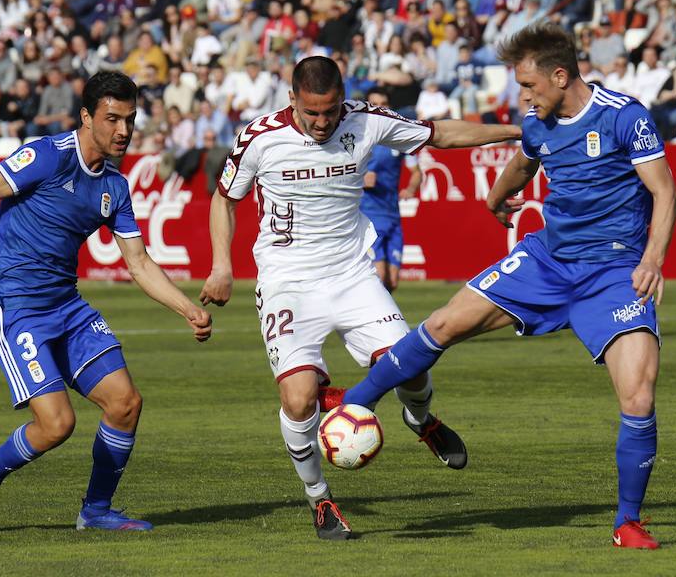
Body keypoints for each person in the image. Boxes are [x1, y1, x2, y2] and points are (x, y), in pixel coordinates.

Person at [338, 23, 676, 550]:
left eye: (528, 86)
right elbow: (523, 162)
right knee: (445, 322)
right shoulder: (538, 122)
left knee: (638, 395)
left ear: (560, 76)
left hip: (614, 273)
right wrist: (496, 199)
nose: (522, 97)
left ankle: (627, 521)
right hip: (548, 261)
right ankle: (356, 404)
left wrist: (653, 258)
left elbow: (664, 190)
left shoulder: (623, 116)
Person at [198, 56, 520, 540]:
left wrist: (517, 130)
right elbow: (224, 199)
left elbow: (440, 134)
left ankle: (422, 420)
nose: (323, 122)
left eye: (330, 111)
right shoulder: (260, 137)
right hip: (288, 282)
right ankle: (320, 500)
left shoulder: (365, 120)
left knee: (411, 363)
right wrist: (222, 264)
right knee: (299, 398)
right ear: (292, 100)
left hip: (352, 276)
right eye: (312, 113)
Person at [0, 71, 213, 534]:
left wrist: (187, 308)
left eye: (130, 120)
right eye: (113, 119)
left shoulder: (115, 186)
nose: (124, 131)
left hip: (66, 306)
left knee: (125, 403)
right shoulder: (49, 156)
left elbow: (139, 264)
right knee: (56, 425)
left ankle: (95, 511)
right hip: (16, 307)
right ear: (86, 117)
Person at [361, 88, 423, 292]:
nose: (380, 108)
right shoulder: (358, 139)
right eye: (374, 104)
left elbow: (416, 172)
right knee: (379, 276)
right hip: (368, 216)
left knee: (392, 282)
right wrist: (360, 179)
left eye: (384, 103)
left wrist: (411, 188)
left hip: (392, 214)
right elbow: (335, 172)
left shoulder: (399, 139)